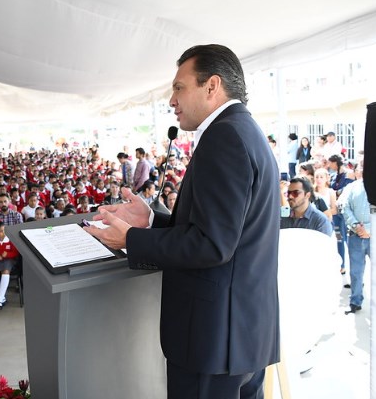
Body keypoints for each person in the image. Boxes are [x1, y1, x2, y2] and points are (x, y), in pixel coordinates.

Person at [85, 44, 279, 399]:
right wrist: (150, 221)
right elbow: (223, 230)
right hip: (242, 332)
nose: (171, 101)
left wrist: (130, 239)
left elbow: (211, 244)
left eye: (179, 87)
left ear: (211, 86)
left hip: (215, 339)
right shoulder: (243, 130)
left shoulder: (225, 138)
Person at [341, 163, 370, 314]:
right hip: (355, 235)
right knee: (356, 271)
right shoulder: (351, 187)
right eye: (361, 168)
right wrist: (355, 226)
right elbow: (344, 206)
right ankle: (355, 301)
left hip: (375, 237)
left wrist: (369, 230)